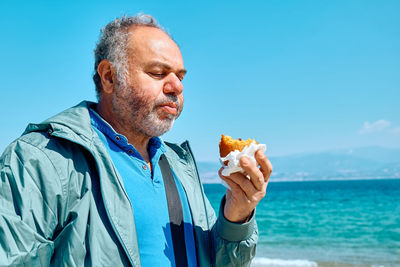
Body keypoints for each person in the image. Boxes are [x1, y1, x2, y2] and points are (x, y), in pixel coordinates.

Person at [0, 14, 272, 266]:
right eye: (158, 73)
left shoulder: (180, 166)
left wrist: (237, 215)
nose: (176, 86)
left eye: (179, 76)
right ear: (109, 77)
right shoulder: (40, 160)